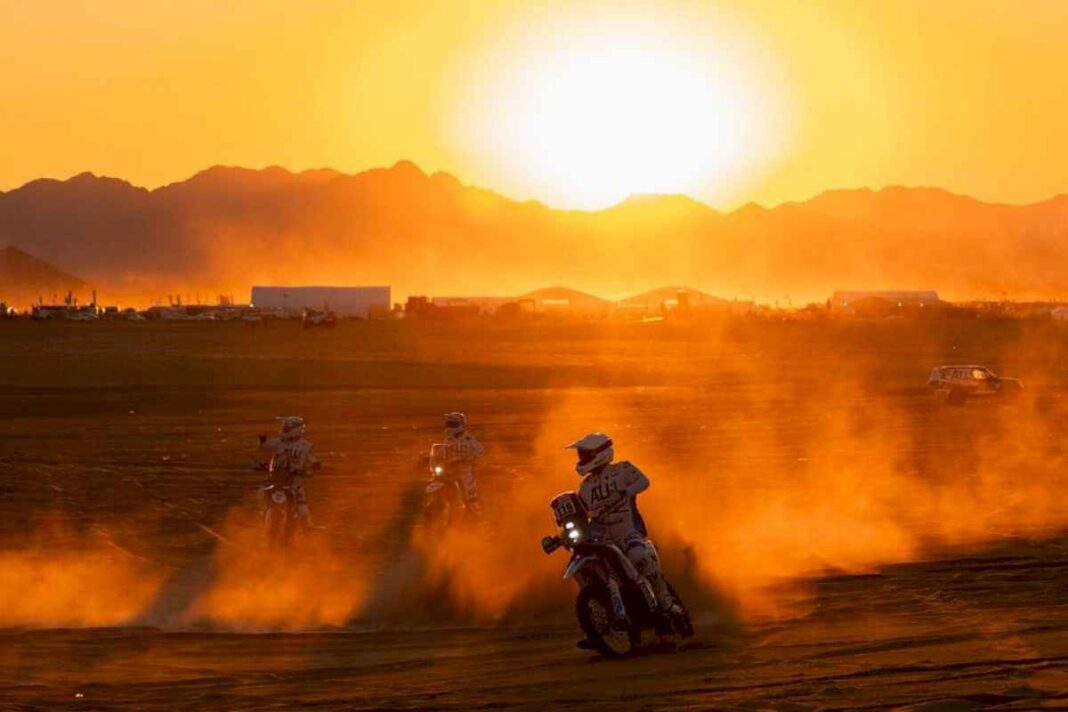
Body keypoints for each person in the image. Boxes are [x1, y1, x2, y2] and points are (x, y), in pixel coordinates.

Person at [569, 432, 680, 616]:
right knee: (584, 567)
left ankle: (668, 606)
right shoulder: (585, 487)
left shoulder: (622, 469)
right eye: (581, 455)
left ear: (600, 453)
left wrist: (625, 492)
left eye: (585, 454)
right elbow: (581, 512)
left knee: (638, 556)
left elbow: (644, 482)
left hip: (628, 531)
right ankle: (601, 616)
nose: (581, 459)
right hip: (602, 537)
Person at [259, 416, 318, 528]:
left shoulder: (305, 446)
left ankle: (308, 534)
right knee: (262, 496)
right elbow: (265, 446)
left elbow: (313, 460)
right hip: (277, 481)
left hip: (295, 484)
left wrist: (314, 467)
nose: (283, 428)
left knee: (303, 512)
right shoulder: (279, 442)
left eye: (286, 427)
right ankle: (264, 523)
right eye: (284, 426)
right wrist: (262, 437)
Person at [438, 412, 484, 515]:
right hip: (450, 469)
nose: (449, 427)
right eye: (448, 424)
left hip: (465, 470)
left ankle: (474, 515)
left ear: (461, 425)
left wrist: (468, 459)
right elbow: (440, 451)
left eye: (452, 425)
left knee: (469, 496)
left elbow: (480, 451)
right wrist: (428, 457)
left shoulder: (469, 439)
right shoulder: (448, 439)